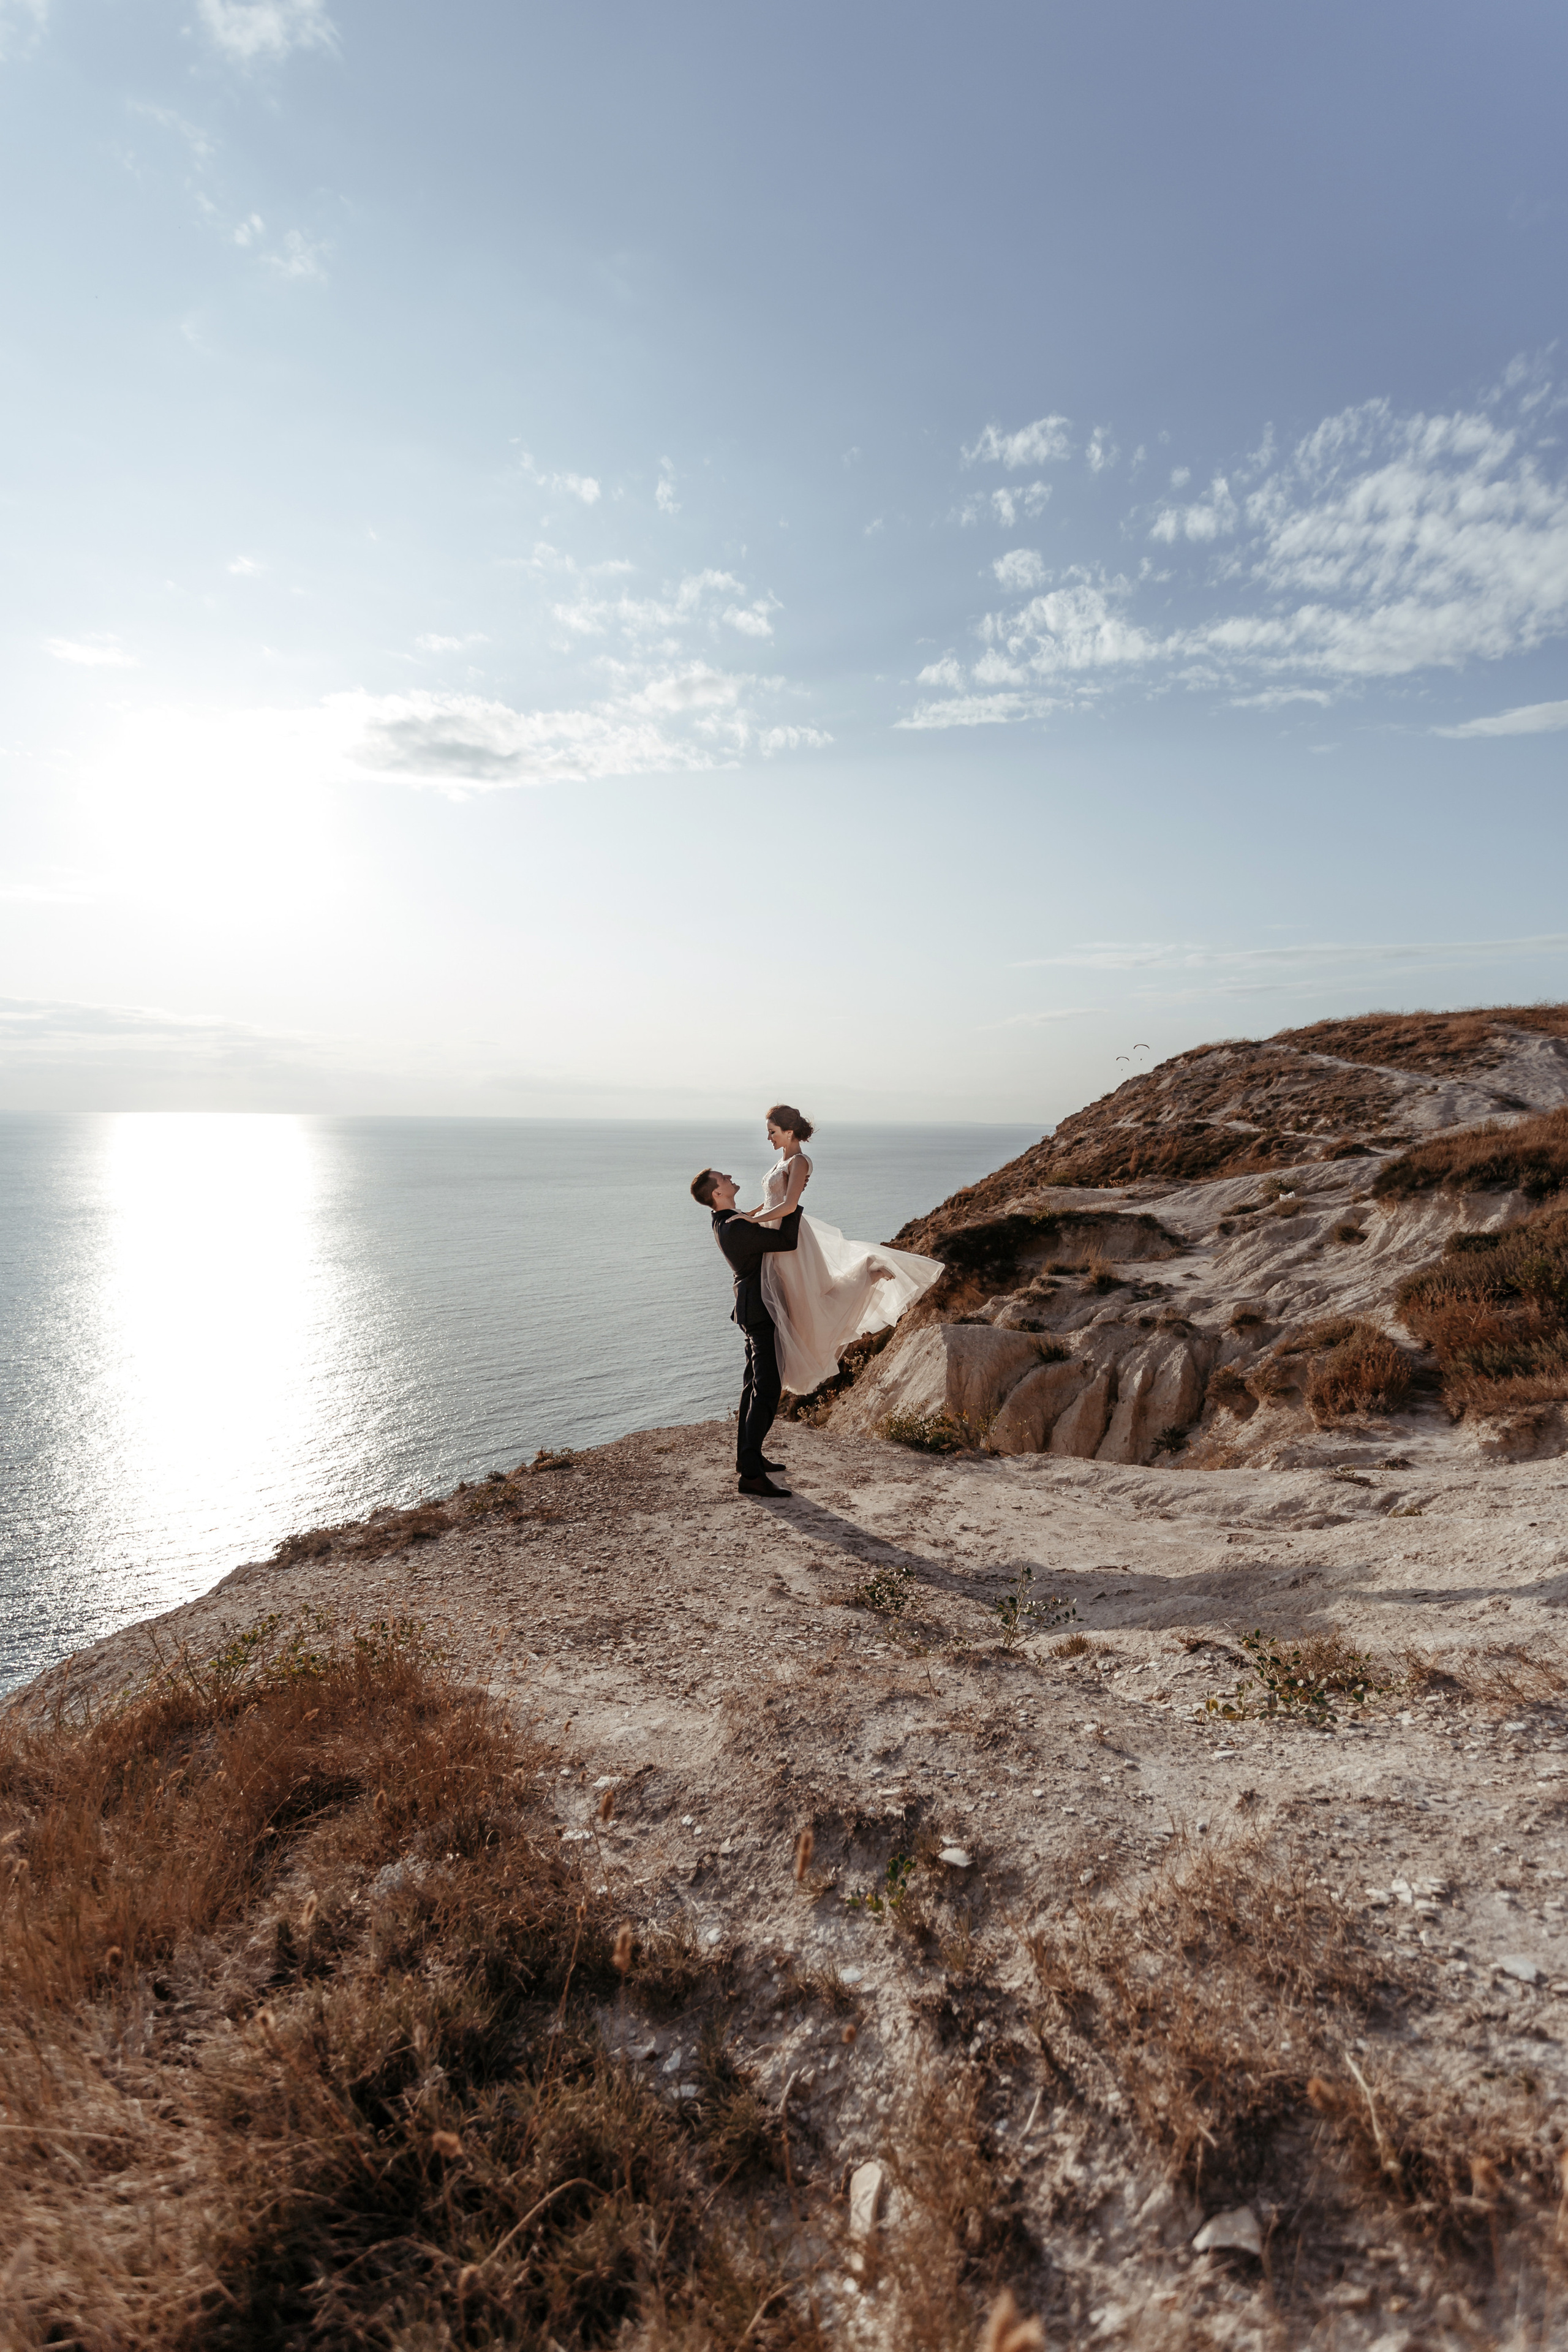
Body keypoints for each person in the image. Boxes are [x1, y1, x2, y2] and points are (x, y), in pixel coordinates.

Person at [739, 1104, 943, 1397]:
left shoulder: (799, 1161)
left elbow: (790, 1205)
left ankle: (867, 1274)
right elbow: (771, 1199)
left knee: (804, 1304)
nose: (768, 1138)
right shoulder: (781, 1160)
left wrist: (753, 1221)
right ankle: (775, 1364)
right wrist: (750, 1214)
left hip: (788, 1235)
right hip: (772, 1234)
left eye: (772, 1132)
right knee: (785, 1301)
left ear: (789, 1132)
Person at [690, 1164, 802, 1498]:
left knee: (753, 1384)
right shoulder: (735, 1227)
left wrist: (767, 1207)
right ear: (717, 1193)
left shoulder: (728, 1219)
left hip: (751, 1307)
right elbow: (786, 1240)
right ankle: (751, 1476)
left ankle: (747, 1459)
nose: (730, 1178)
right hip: (758, 1311)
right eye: (724, 1179)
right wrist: (794, 1203)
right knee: (767, 1389)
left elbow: (755, 1220)